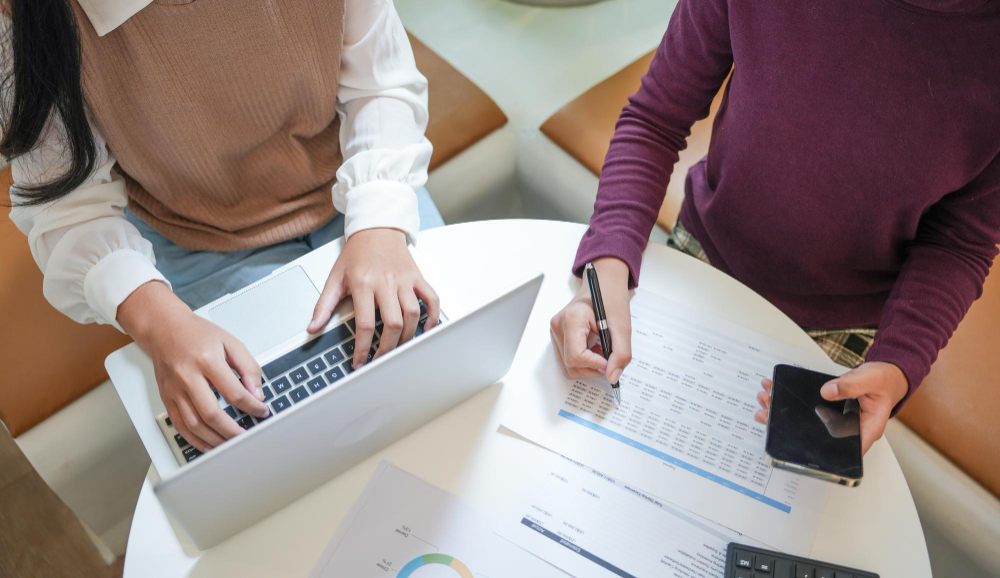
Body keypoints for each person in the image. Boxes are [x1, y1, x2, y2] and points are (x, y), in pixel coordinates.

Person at [550, 0, 1000, 454]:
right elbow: (655, 119)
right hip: (706, 252)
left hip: (849, 326)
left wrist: (899, 363)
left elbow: (959, 242)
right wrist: (603, 273)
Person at [3, 0, 443, 454]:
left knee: (448, 369)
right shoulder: (25, 18)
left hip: (361, 172)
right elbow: (69, 210)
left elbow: (380, 81)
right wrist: (161, 323)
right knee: (304, 442)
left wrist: (378, 224)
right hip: (195, 233)